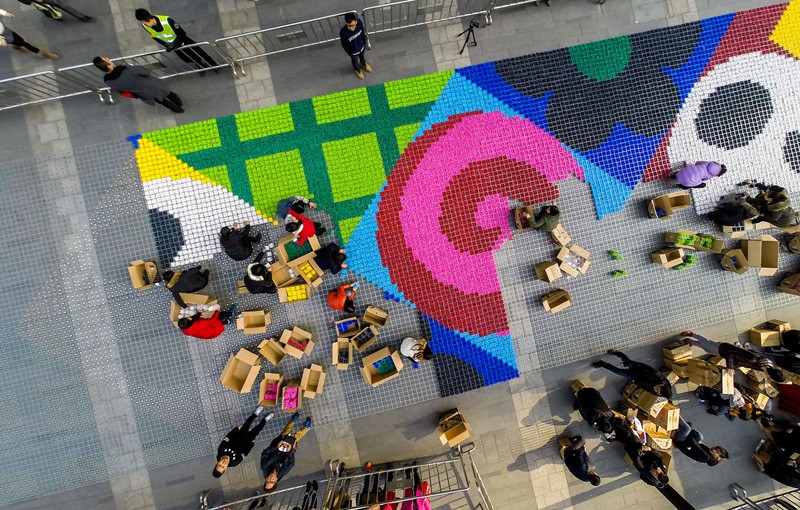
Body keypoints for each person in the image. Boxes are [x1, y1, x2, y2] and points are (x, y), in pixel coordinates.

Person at [681, 331, 786, 383]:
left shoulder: (765, 365)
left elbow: (741, 361)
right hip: (725, 350)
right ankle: (692, 334)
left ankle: (691, 342)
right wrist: (730, 368)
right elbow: (732, 356)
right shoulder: (755, 361)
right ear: (770, 375)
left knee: (707, 348)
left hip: (725, 352)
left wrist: (734, 368)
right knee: (707, 344)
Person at [134, 9, 218, 70]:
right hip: (173, 46)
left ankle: (213, 65)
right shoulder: (144, 26)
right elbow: (155, 37)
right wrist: (166, 45)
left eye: (143, 22)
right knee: (187, 57)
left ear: (149, 19)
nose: (143, 24)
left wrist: (174, 43)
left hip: (183, 41)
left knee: (199, 52)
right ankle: (200, 65)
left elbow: (182, 33)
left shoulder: (167, 21)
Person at [93, 56, 183, 112]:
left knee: (163, 102)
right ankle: (178, 102)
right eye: (106, 59)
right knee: (169, 93)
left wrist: (137, 96)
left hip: (145, 94)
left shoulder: (108, 81)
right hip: (154, 85)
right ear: (108, 65)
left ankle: (177, 109)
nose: (109, 59)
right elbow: (145, 72)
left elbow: (123, 93)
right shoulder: (126, 68)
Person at [213, 407, 274, 478]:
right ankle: (265, 419)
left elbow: (228, 437)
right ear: (226, 469)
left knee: (248, 423)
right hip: (247, 441)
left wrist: (235, 429)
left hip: (239, 434)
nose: (223, 463)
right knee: (258, 429)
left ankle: (255, 413)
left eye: (220, 465)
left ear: (216, 463)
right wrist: (252, 444)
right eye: (223, 467)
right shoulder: (235, 463)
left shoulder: (221, 450)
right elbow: (245, 453)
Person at [261, 412, 313, 493]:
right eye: (272, 482)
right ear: (276, 481)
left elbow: (264, 453)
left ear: (266, 480)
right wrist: (290, 451)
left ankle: (292, 421)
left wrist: (276, 447)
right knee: (295, 437)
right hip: (288, 450)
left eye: (268, 481)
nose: (271, 479)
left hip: (278, 446)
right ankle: (306, 428)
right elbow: (291, 463)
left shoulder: (264, 467)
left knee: (285, 433)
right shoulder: (282, 473)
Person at [593, 349, 673, 400]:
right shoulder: (656, 375)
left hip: (635, 377)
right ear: (662, 385)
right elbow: (643, 366)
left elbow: (646, 388)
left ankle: (602, 364)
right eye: (658, 389)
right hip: (638, 369)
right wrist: (628, 364)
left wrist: (636, 383)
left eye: (657, 391)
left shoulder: (659, 393)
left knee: (617, 371)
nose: (656, 390)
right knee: (626, 360)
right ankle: (618, 353)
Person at [340, 12, 371, 79]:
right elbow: (344, 44)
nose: (351, 28)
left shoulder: (359, 23)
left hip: (361, 46)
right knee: (354, 61)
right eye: (349, 26)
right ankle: (357, 69)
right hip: (353, 51)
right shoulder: (343, 32)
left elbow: (363, 33)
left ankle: (363, 64)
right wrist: (350, 53)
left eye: (353, 25)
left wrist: (364, 43)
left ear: (356, 21)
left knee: (362, 57)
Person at [17, 0, 95, 22]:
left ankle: (82, 17)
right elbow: (26, 2)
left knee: (66, 7)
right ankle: (54, 17)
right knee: (49, 13)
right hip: (40, 3)